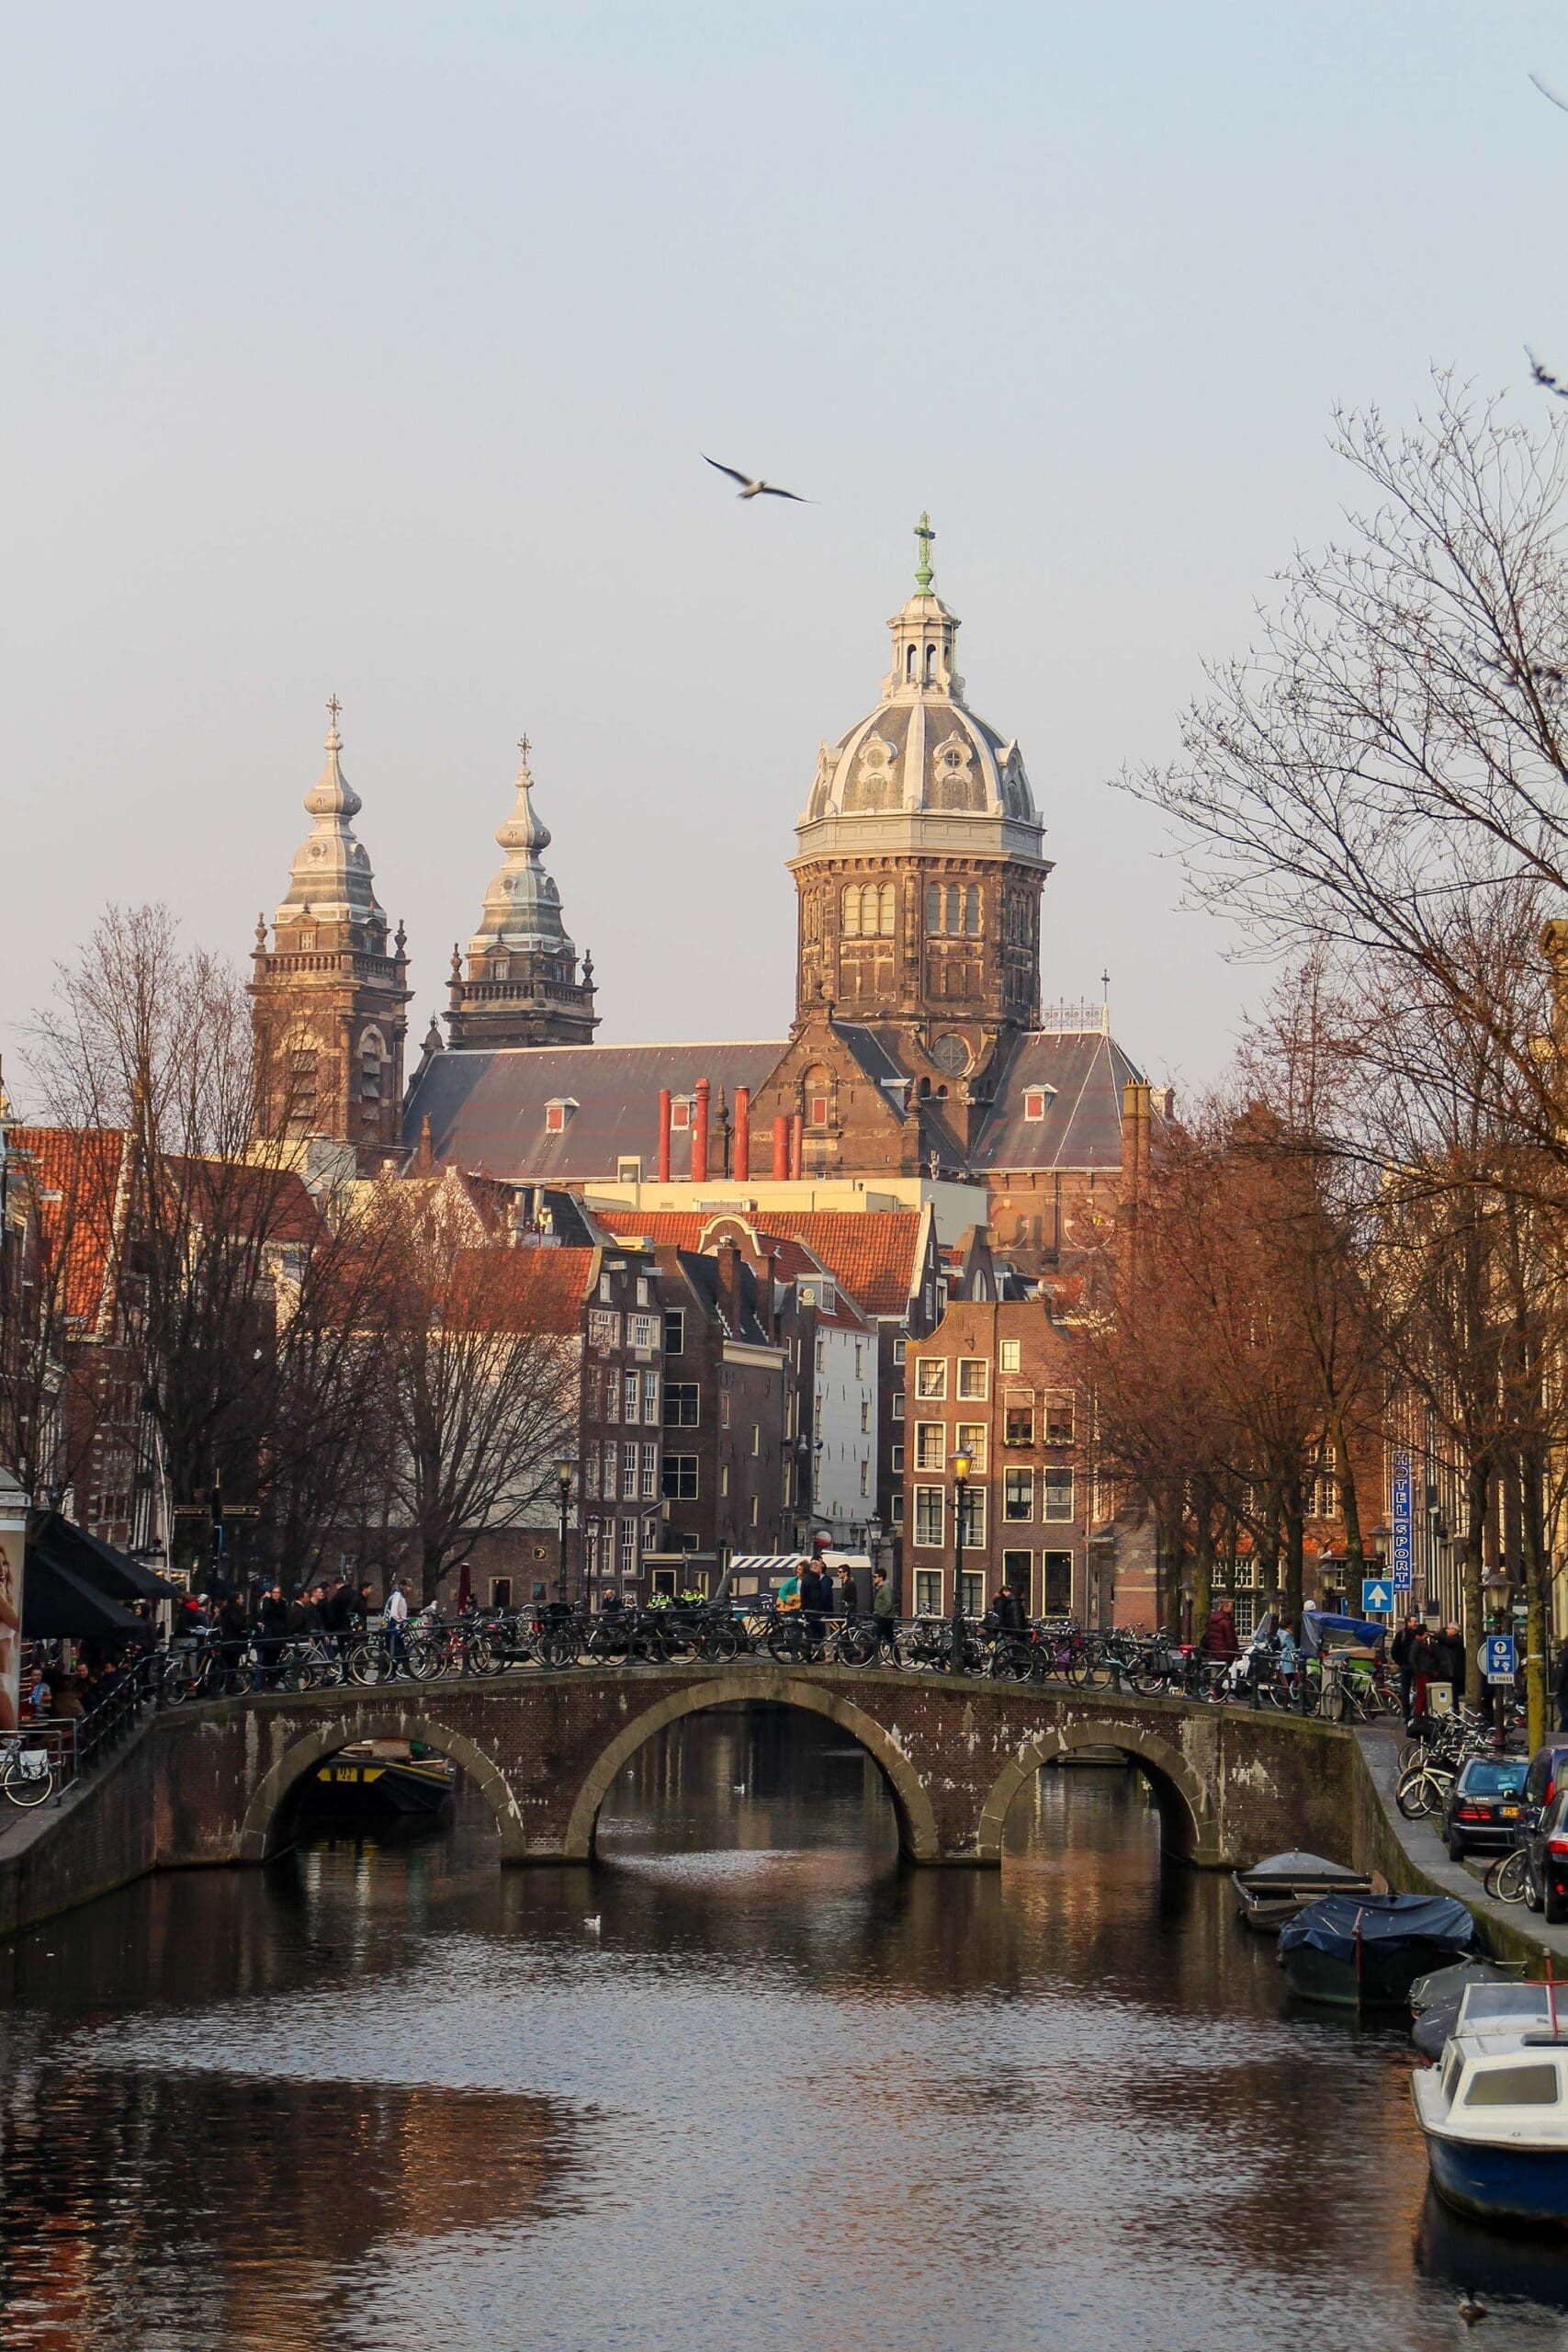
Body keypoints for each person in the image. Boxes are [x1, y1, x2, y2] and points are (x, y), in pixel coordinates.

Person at [870, 1565, 899, 1662]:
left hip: (884, 1618)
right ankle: (897, 1661)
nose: (873, 1578)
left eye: (875, 1577)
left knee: (876, 1637)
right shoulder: (881, 1588)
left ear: (881, 1578)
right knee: (890, 1639)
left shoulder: (885, 1589)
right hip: (886, 1617)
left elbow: (889, 1604)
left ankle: (868, 1659)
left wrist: (880, 1613)